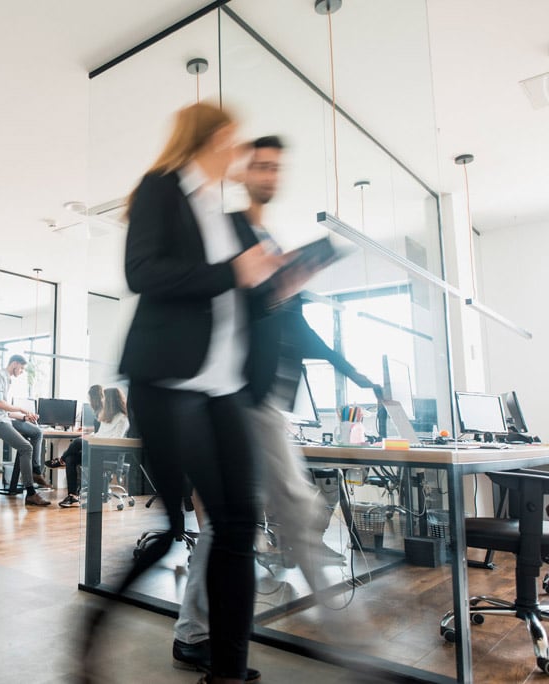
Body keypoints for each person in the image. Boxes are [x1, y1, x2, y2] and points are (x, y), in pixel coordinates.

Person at [80, 103, 318, 684]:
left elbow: (239, 298)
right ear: (206, 139)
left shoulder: (223, 212)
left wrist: (278, 284)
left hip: (225, 388)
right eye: (231, 140)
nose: (237, 153)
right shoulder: (162, 189)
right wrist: (234, 273)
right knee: (171, 532)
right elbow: (144, 274)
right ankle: (92, 631)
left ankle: (228, 672)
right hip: (167, 381)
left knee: (237, 523)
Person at [172, 135, 383, 675]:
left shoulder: (265, 237)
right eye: (260, 165)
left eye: (275, 167)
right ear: (244, 173)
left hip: (262, 399)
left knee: (233, 522)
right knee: (293, 505)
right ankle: (348, 639)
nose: (269, 174)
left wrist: (353, 371)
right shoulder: (237, 231)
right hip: (241, 395)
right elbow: (232, 305)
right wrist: (282, 277)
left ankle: (194, 631)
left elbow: (301, 328)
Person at [0, 354, 51, 506]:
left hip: (3, 418)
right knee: (26, 447)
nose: (22, 371)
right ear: (15, 364)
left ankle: (36, 471)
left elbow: (5, 411)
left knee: (37, 432)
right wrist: (21, 409)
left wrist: (24, 417)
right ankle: (31, 493)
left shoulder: (6, 379)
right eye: (22, 368)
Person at [58, 387, 129, 508]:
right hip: (96, 449)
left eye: (104, 398)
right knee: (71, 459)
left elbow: (116, 440)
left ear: (111, 400)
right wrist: (90, 437)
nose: (102, 401)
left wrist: (91, 440)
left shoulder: (123, 418)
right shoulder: (106, 417)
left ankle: (60, 460)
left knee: (76, 442)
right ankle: (73, 496)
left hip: (108, 452)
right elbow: (100, 434)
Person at [45, 384, 103, 468]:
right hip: (95, 441)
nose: (90, 402)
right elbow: (99, 428)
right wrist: (86, 429)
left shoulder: (103, 412)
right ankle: (63, 460)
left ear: (94, 399)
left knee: (77, 441)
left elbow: (101, 432)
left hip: (97, 446)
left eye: (90, 399)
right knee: (69, 459)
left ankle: (60, 460)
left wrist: (89, 437)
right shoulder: (98, 411)